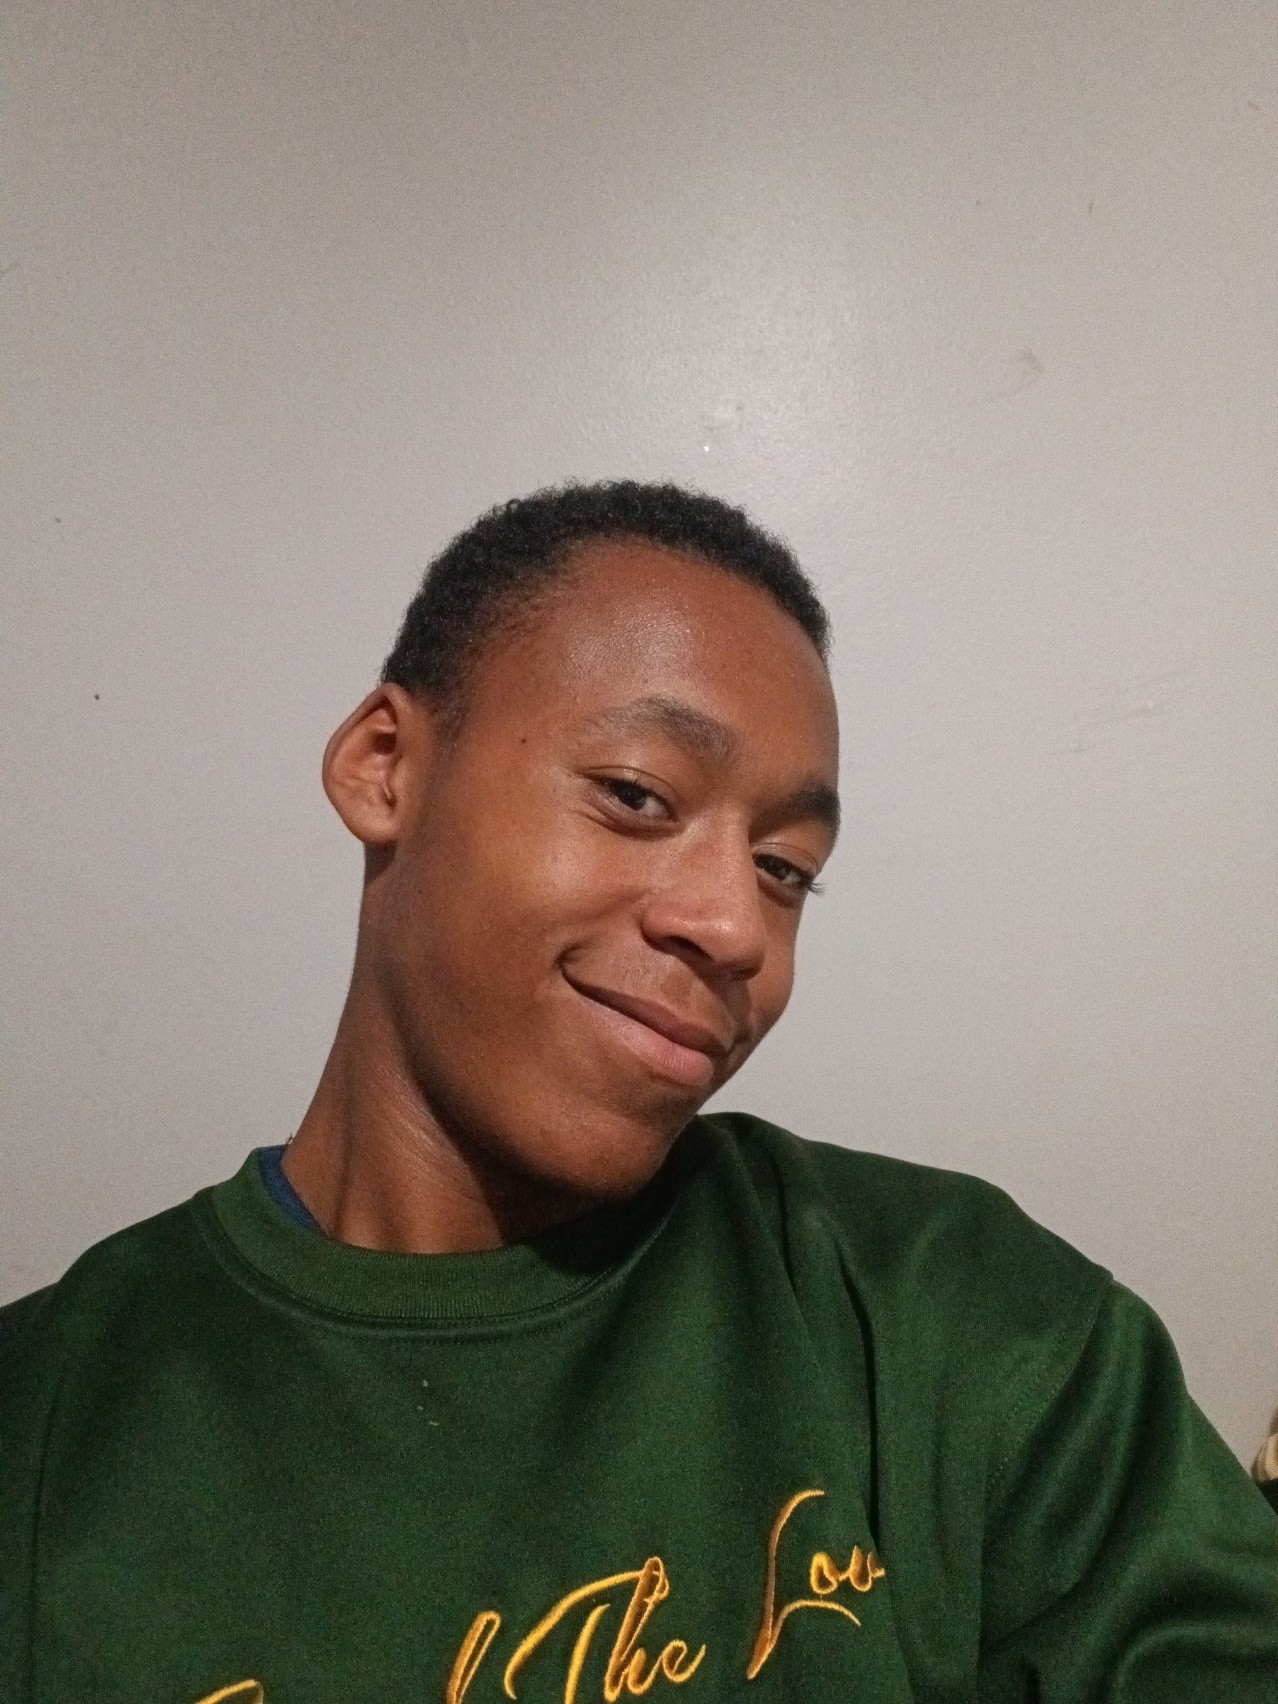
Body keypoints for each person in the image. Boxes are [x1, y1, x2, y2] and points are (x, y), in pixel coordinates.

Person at [1, 482, 1275, 1704]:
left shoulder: (964, 1324)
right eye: (635, 795)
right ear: (386, 766)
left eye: (785, 868)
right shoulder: (44, 1423)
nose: (735, 927)